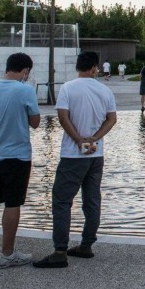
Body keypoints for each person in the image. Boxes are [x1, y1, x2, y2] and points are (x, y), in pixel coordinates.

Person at [34, 51, 118, 269]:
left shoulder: (68, 88)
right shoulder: (105, 90)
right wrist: (95, 139)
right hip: (96, 155)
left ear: (78, 67)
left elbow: (63, 117)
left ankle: (60, 250)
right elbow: (112, 119)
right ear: (93, 68)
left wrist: (79, 140)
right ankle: (86, 245)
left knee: (62, 201)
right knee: (92, 200)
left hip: (73, 155)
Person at [0, 52, 41, 269]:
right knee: (13, 202)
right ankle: (8, 253)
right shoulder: (26, 90)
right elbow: (36, 122)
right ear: (26, 71)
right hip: (17, 156)